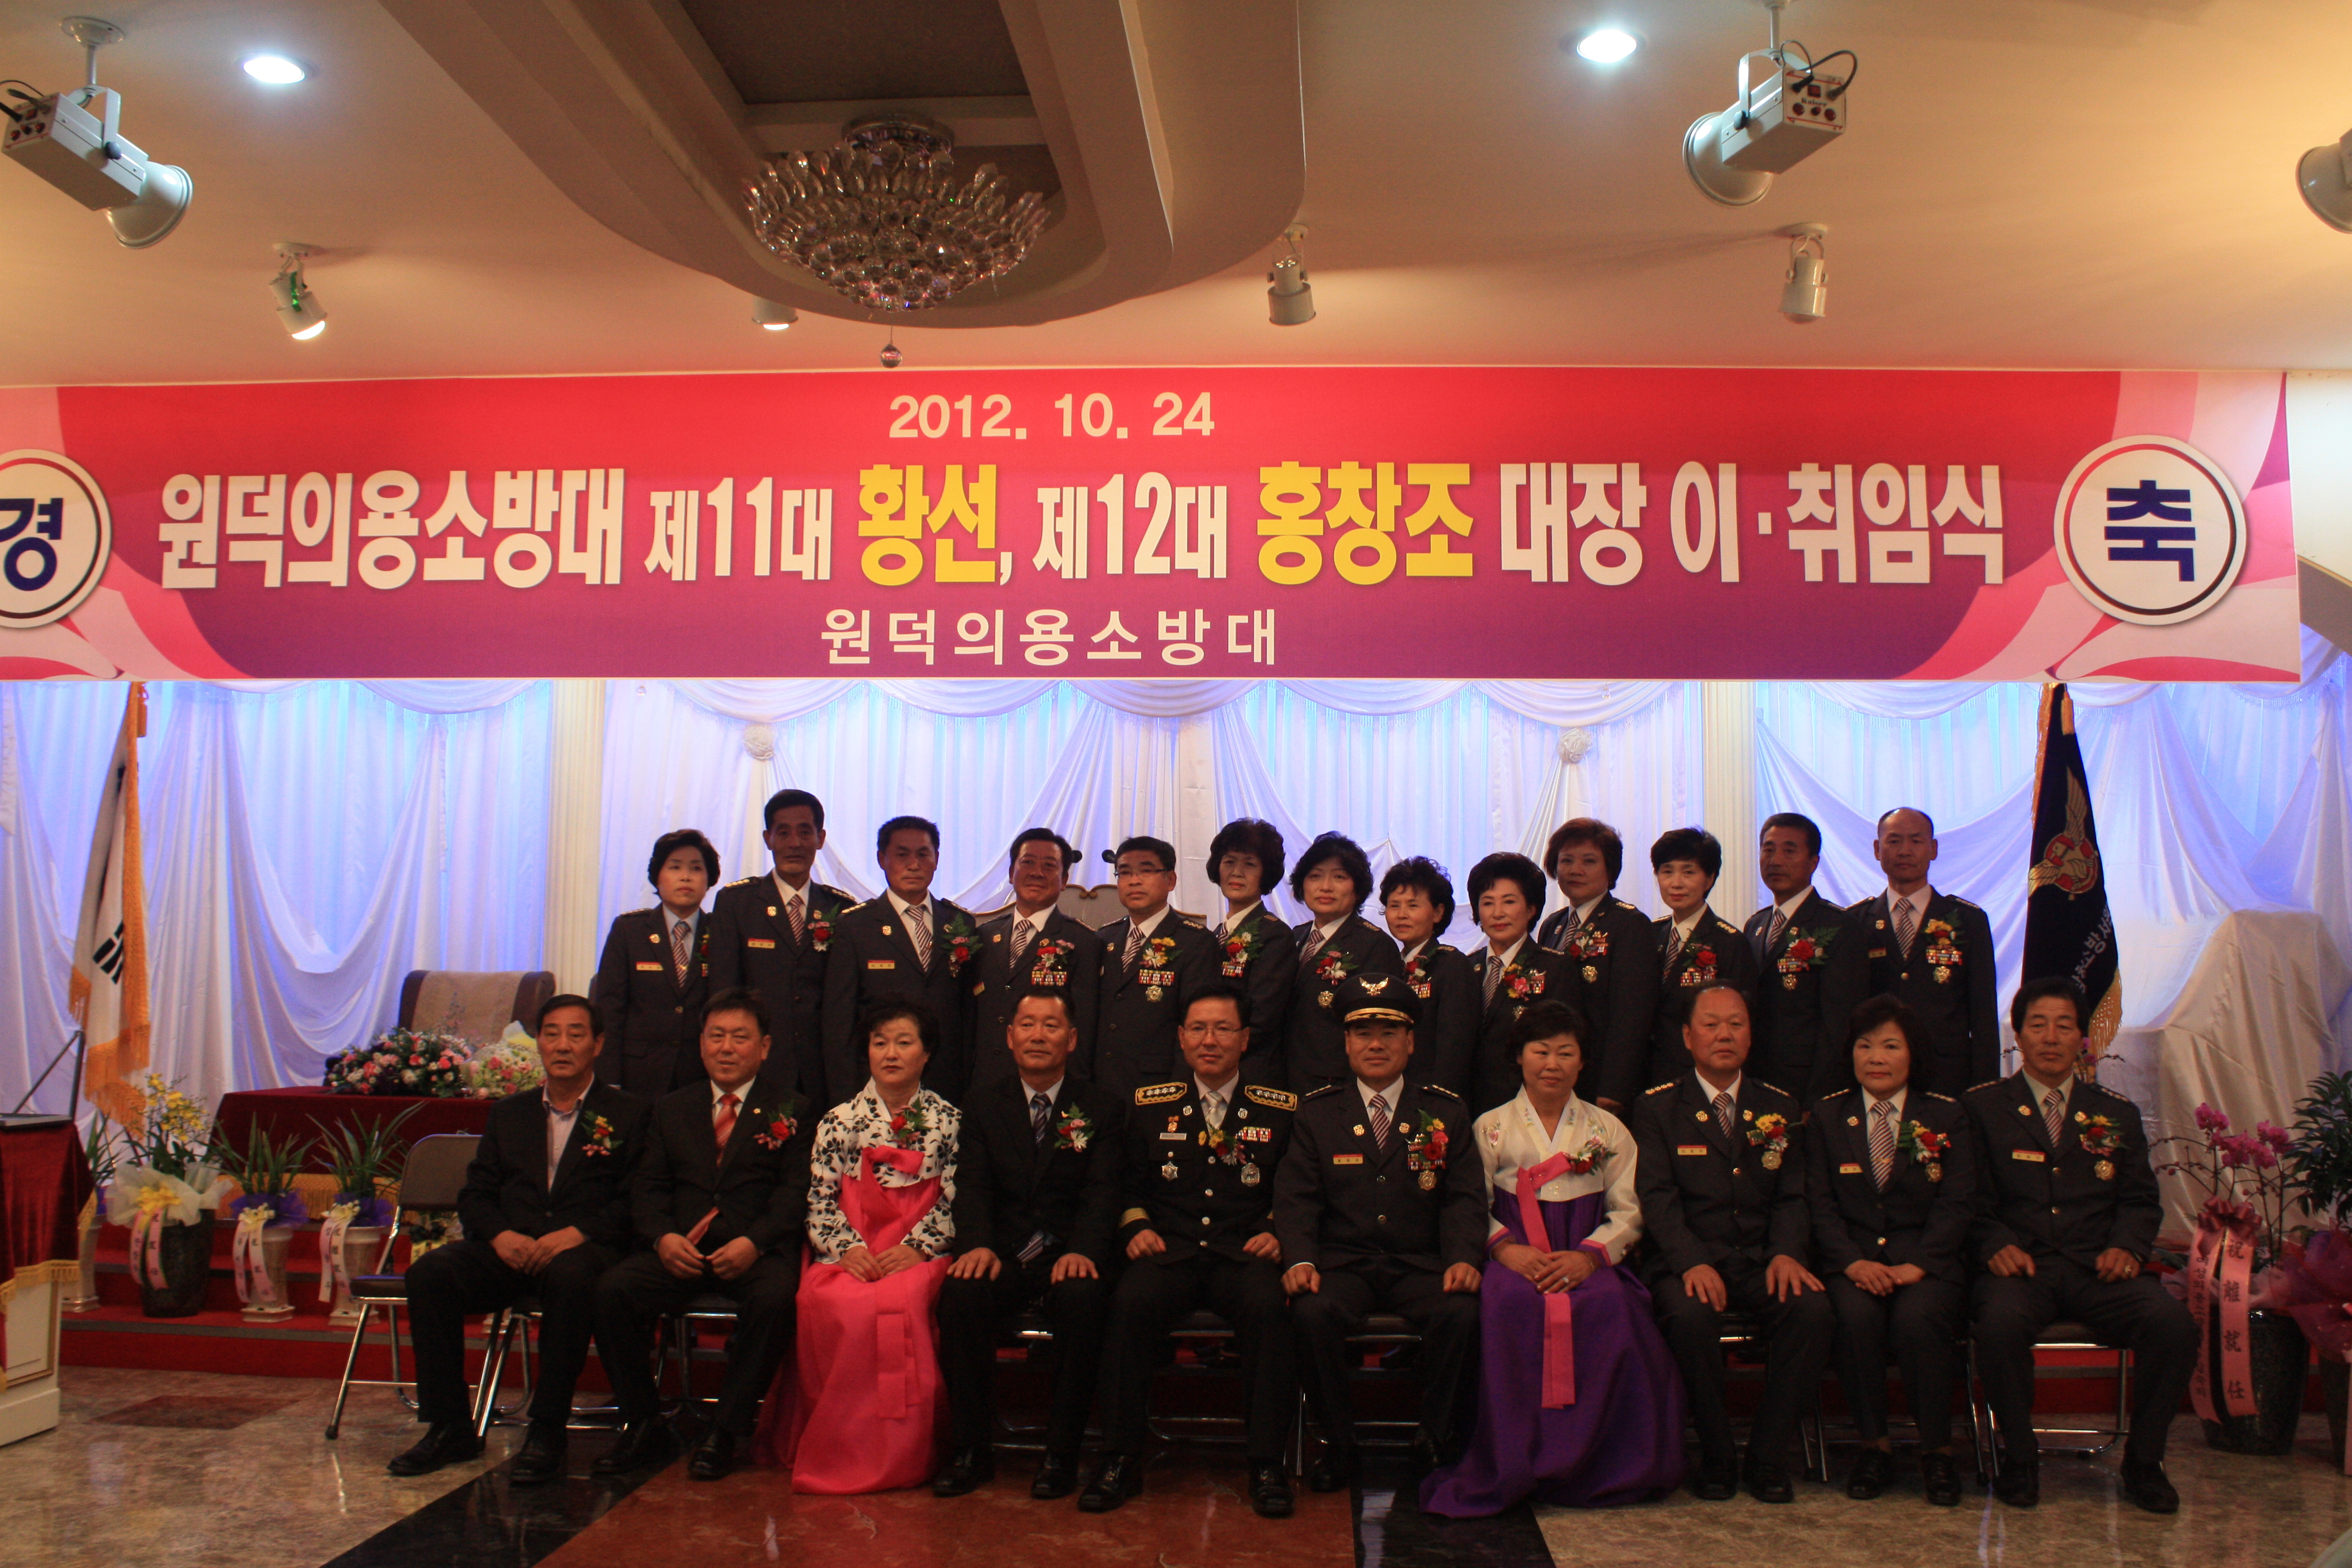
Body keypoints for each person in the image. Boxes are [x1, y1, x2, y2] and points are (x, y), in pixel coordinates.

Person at [1422, 1000, 1685, 1516]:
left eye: (1566, 1053)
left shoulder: (1607, 1129)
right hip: (1514, 1257)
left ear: (1582, 1061)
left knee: (1612, 1308)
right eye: (1541, 1051)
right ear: (1519, 1056)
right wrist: (1505, 1249)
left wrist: (1589, 1259)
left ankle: (1603, 1462)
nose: (1552, 1064)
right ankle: (1514, 1457)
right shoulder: (1490, 1127)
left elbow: (1629, 1209)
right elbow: (1469, 1202)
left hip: (1583, 1254)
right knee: (1508, 1306)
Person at [388, 995, 650, 1481]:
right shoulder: (510, 1113)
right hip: (512, 1248)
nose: (563, 1045)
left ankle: (547, 1429)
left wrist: (578, 1233)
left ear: (597, 1044)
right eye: (552, 1034)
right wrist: (500, 1235)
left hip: (581, 1250)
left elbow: (637, 1199)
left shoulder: (629, 1113)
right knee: (431, 1274)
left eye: (576, 1034)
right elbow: (476, 1195)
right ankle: (450, 1426)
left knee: (572, 1279)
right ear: (539, 1043)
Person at [1964, 977, 2194, 1515]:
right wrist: (1993, 1242)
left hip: (2099, 1269)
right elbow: (1965, 1198)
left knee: (2174, 1327)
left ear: (2082, 1038)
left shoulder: (2115, 1112)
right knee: (1997, 1325)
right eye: (2038, 1025)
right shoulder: (1982, 1108)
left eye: (2064, 1026)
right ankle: (2019, 1459)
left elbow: (2140, 1199)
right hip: (2022, 1269)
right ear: (2019, 1034)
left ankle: (2144, 1462)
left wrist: (2128, 1248)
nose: (2051, 1037)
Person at [1084, 983, 1300, 1520]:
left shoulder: (1278, 1108)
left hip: (1242, 1253)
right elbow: (1126, 1184)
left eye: (1223, 1029)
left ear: (1244, 1039)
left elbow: (1296, 1189)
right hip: (1170, 1251)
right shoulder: (1149, 1105)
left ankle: (1267, 1464)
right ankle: (1119, 1459)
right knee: (1129, 1303)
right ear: (1181, 1038)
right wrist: (1135, 1226)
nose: (1210, 1040)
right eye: (1199, 1029)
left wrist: (1277, 1230)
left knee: (1270, 1308)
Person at [592, 988, 815, 1482]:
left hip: (752, 1252)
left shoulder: (791, 1108)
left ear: (765, 1047)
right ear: (701, 1044)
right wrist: (662, 1239)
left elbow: (795, 1193)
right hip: (682, 1251)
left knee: (778, 1298)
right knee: (613, 1290)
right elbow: (647, 1188)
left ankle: (725, 1430)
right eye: (717, 1036)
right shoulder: (672, 1108)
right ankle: (643, 1422)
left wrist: (755, 1243)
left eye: (740, 1037)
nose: (727, 1047)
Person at [1274, 972, 1483, 1491]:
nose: (1376, 1045)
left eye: (1389, 1033)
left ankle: (1433, 1437)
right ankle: (1339, 1445)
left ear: (1410, 1042)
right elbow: (1297, 1197)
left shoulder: (1446, 1110)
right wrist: (1300, 1259)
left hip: (1419, 1262)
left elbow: (1463, 1197)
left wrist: (1463, 1257)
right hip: (1344, 1262)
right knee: (1311, 1313)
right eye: (1363, 1034)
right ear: (1346, 1043)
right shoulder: (1317, 1112)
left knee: (1461, 1313)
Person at [1629, 982, 1832, 1504]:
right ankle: (1717, 1455)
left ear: (1751, 1035)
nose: (1724, 1034)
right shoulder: (1657, 1108)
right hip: (1689, 1262)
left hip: (1762, 1259)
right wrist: (1691, 1262)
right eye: (1712, 1024)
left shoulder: (1778, 1105)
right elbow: (1657, 1199)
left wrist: (1786, 1252)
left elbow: (1793, 1195)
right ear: (1687, 1037)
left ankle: (1767, 1456)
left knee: (1811, 1310)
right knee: (1689, 1317)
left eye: (1736, 1024)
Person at [934, 988, 1124, 1501]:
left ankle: (1061, 1455)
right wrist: (976, 1244)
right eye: (1027, 1025)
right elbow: (972, 1186)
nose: (1038, 1036)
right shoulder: (982, 1104)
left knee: (1084, 1299)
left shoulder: (1101, 1107)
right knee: (961, 1295)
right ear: (1010, 1036)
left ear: (1072, 1039)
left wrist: (1084, 1249)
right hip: (1004, 1254)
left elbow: (1104, 1192)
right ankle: (971, 1451)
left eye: (1051, 1026)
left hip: (1068, 1254)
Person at [782, 1000, 963, 1494]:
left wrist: (919, 1249)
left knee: (901, 1301)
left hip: (917, 1252)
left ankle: (905, 1452)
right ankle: (843, 1444)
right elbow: (820, 1198)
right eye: (880, 1043)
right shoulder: (839, 1120)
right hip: (853, 1251)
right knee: (833, 1301)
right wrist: (846, 1250)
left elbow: (956, 1199)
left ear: (927, 1053)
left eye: (904, 1043)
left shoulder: (949, 1121)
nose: (891, 1054)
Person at [1806, 995, 1976, 1506]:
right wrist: (1852, 1262)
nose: (1876, 1057)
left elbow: (1958, 1202)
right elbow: (1819, 1204)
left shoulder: (1945, 1115)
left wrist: (1918, 1264)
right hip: (1852, 1262)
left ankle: (1937, 1451)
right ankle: (1873, 1448)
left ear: (1912, 1054)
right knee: (1855, 1318)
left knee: (1918, 1321)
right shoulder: (1827, 1116)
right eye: (1865, 1046)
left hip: (1925, 1264)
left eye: (1890, 1046)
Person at [820, 815, 978, 1107]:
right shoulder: (856, 926)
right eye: (902, 855)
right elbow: (839, 1023)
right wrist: (846, 1097)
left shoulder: (960, 923)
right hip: (879, 1086)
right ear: (882, 859)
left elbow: (969, 1017)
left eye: (923, 854)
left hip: (948, 1084)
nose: (914, 865)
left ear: (937, 858)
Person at [707, 788, 853, 1102]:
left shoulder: (841, 910)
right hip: (757, 1067)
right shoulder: (737, 904)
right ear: (768, 839)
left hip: (823, 1072)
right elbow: (724, 992)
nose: (795, 843)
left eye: (805, 832)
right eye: (783, 833)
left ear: (820, 838)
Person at [1850, 808, 2001, 1093]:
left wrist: (1985, 1091)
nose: (1905, 851)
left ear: (1933, 849)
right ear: (1877, 849)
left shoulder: (1968, 921)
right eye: (1894, 841)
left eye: (1916, 841)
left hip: (1947, 1078)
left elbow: (1983, 1017)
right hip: (1875, 1076)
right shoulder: (1856, 922)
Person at [1533, 818, 1660, 1114]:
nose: (1575, 870)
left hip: (1600, 1077)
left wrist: (1615, 1087)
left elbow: (1632, 1016)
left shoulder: (1628, 924)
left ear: (1610, 870)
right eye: (1567, 860)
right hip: (1555, 1076)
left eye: (1589, 861)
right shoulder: (1552, 925)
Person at [1740, 813, 1869, 1104]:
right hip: (1756, 1081)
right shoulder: (1755, 925)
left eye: (1789, 851)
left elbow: (1839, 1024)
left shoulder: (1838, 926)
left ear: (1813, 862)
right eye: (1768, 849)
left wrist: (1820, 1097)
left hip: (1807, 1086)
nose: (1775, 860)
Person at [966, 829, 1103, 1093]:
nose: (1037, 873)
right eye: (1027, 862)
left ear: (1064, 880)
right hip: (984, 1084)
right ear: (1011, 873)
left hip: (1049, 1087)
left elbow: (1084, 1028)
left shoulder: (1083, 943)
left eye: (1049, 866)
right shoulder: (984, 937)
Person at [590, 828, 719, 1096]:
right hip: (638, 1075)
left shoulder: (721, 932)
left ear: (709, 880)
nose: (686, 876)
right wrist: (609, 1080)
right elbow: (610, 1011)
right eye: (675, 867)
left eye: (696, 868)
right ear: (657, 877)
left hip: (701, 1076)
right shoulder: (629, 930)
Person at [1090, 835, 1219, 1096]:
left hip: (1159, 1086)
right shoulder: (1104, 939)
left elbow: (1197, 1026)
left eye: (1146, 871)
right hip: (1100, 1085)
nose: (1134, 881)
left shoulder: (1195, 942)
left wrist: (1177, 1091)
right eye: (1125, 872)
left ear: (1170, 880)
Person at [1278, 831, 1406, 1094]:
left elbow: (1376, 1029)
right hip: (1283, 1079)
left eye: (1339, 877)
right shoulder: (1293, 937)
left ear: (1357, 888)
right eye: (1315, 876)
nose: (1326, 887)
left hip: (1336, 1085)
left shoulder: (1375, 945)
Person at [1647, 827, 1761, 1091]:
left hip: (1700, 1077)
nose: (1676, 883)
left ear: (1709, 879)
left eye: (1689, 872)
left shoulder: (1729, 942)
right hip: (1648, 1074)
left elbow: (1744, 1020)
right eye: (1667, 872)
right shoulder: (1649, 935)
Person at [1463, 851, 1575, 1115]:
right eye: (1487, 903)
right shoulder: (1465, 967)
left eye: (1509, 902)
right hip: (1467, 1105)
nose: (1498, 913)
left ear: (1531, 908)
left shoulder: (1555, 967)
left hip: (1527, 1105)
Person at [1381, 856, 1478, 1098]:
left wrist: (1440, 1101)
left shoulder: (1451, 964)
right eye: (1394, 905)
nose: (1402, 915)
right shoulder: (1386, 965)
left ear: (1437, 912)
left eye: (1413, 906)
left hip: (1429, 1097)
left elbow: (1455, 1049)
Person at [1207, 818, 1299, 1071]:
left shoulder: (1275, 935)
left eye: (1249, 864)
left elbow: (1264, 1018)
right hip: (1207, 1063)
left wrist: (1214, 1049)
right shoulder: (1214, 935)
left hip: (1249, 1068)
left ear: (1265, 873)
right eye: (1229, 862)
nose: (1237, 873)